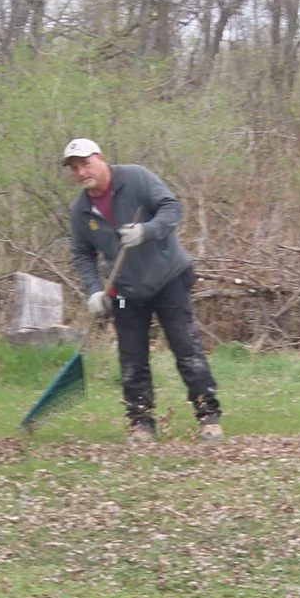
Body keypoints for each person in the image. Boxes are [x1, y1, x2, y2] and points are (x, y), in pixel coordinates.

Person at [62, 137, 222, 443]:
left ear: (100, 158)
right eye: (74, 168)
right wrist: (94, 290)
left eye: (85, 164)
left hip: (168, 279)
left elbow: (171, 209)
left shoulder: (135, 178)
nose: (81, 173)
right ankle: (140, 422)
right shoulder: (81, 211)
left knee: (186, 349)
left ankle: (208, 416)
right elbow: (82, 253)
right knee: (131, 356)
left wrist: (145, 231)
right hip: (124, 293)